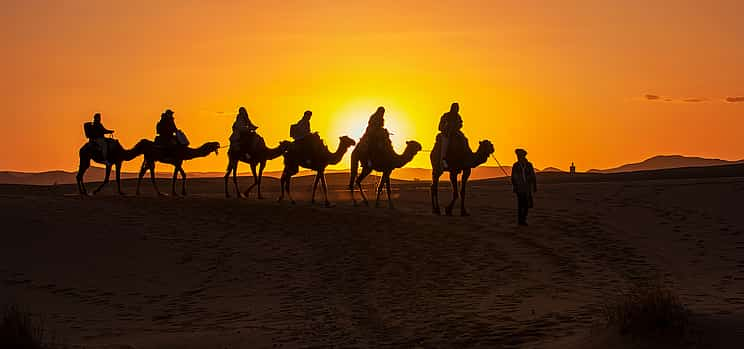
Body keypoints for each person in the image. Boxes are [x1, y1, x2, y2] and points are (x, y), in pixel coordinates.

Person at [511, 148, 537, 226]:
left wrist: (534, 186)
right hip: (519, 188)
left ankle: (523, 219)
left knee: (526, 204)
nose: (518, 157)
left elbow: (533, 176)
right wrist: (514, 186)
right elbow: (513, 177)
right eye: (517, 156)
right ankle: (521, 221)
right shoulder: (515, 165)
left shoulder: (529, 165)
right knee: (520, 204)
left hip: (527, 188)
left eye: (519, 155)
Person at [438, 102, 463, 169]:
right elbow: (440, 126)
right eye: (455, 108)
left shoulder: (458, 116)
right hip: (446, 134)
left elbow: (460, 124)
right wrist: (447, 129)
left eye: (457, 108)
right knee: (445, 144)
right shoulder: (446, 116)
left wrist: (457, 127)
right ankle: (443, 161)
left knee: (464, 140)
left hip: (456, 133)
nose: (457, 109)